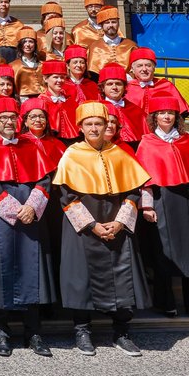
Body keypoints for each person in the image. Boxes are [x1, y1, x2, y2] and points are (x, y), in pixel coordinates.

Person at [53, 102, 152, 356]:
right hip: (84, 227)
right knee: (81, 278)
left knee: (122, 275)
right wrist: (92, 225)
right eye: (89, 124)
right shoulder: (72, 155)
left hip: (117, 223)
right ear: (80, 127)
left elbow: (133, 192)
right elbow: (66, 197)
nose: (94, 128)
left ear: (107, 125)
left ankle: (121, 332)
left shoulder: (119, 153)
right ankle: (82, 331)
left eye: (99, 123)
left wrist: (120, 222)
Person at [0, 97, 58, 357]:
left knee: (32, 269)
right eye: (3, 118)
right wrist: (14, 210)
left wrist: (32, 207)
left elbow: (44, 179)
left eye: (12, 117)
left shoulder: (31, 144)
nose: (9, 122)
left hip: (30, 216)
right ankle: (1, 332)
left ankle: (33, 332)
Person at [135, 96, 189, 319]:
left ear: (177, 117)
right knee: (164, 251)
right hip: (163, 200)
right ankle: (165, 303)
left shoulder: (187, 140)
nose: (167, 116)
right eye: (162, 113)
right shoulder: (147, 142)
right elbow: (144, 180)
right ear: (154, 117)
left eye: (171, 113)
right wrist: (147, 207)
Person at [126, 47, 189, 115]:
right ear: (132, 69)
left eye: (148, 65)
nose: (144, 69)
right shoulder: (127, 88)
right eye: (139, 66)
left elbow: (181, 113)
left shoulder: (166, 86)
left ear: (154, 68)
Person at [86, 6, 138, 75]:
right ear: (101, 25)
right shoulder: (94, 47)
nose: (111, 25)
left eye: (113, 22)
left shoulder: (131, 46)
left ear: (118, 23)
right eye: (107, 23)